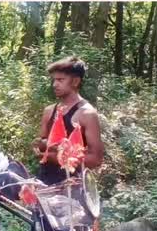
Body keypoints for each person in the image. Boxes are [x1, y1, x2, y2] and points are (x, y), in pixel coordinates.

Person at [32, 56, 104, 186]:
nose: (54, 84)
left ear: (75, 81)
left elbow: (96, 159)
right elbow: (40, 144)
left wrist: (56, 157)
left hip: (72, 188)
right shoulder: (49, 111)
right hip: (44, 183)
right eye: (54, 80)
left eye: (60, 80)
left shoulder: (86, 113)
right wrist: (39, 146)